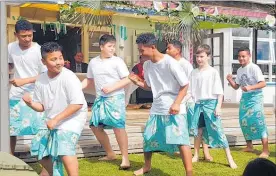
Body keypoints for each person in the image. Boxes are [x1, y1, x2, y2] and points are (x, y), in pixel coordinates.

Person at [129, 33, 193, 176]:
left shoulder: (170, 63)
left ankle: (189, 172)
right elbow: (150, 85)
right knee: (148, 137)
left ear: (152, 47)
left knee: (181, 140)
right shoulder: (147, 65)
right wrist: (137, 82)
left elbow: (185, 85)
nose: (140, 53)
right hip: (157, 106)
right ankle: (147, 166)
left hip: (174, 107)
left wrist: (176, 104)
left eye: (142, 50)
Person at [23, 42, 87, 176]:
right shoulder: (41, 79)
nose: (59, 62)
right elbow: (41, 107)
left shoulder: (69, 77)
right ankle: (49, 173)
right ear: (43, 61)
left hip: (72, 118)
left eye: (60, 58)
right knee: (38, 146)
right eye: (53, 59)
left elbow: (77, 104)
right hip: (53, 120)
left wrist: (56, 120)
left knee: (63, 145)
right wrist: (30, 103)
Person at [82, 34, 131, 170]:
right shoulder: (93, 62)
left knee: (118, 127)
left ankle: (125, 158)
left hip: (115, 98)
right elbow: (89, 80)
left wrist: (112, 88)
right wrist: (77, 88)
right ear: (101, 46)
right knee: (95, 126)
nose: (112, 49)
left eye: (114, 46)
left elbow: (127, 79)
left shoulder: (117, 61)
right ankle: (110, 153)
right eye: (110, 46)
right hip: (100, 99)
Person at [189, 44, 237, 169]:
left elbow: (219, 92)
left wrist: (218, 107)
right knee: (198, 131)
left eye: (202, 56)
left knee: (218, 131)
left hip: (211, 104)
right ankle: (196, 155)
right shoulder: (194, 72)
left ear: (208, 57)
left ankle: (229, 158)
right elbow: (190, 91)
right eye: (197, 56)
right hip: (198, 105)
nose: (199, 59)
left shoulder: (213, 72)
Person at [166, 40, 213, 162]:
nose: (166, 51)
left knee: (200, 126)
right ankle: (180, 148)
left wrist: (185, 99)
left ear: (177, 50)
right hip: (178, 100)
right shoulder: (169, 63)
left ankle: (206, 152)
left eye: (169, 48)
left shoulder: (185, 65)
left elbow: (189, 85)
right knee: (181, 125)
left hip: (189, 100)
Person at [8, 19, 46, 155]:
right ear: (16, 34)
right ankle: (9, 158)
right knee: (11, 129)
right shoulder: (10, 47)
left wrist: (24, 81)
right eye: (24, 36)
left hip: (35, 95)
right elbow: (10, 64)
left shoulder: (39, 50)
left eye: (30, 35)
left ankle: (43, 161)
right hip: (15, 95)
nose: (27, 39)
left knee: (40, 129)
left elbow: (45, 74)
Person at [226, 47, 269, 158]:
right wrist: (230, 80)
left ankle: (266, 150)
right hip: (245, 98)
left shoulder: (254, 67)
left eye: (243, 56)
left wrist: (250, 87)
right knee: (244, 121)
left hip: (256, 97)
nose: (241, 58)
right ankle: (249, 146)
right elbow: (236, 87)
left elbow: (263, 83)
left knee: (259, 121)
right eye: (239, 56)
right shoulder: (240, 70)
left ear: (249, 56)